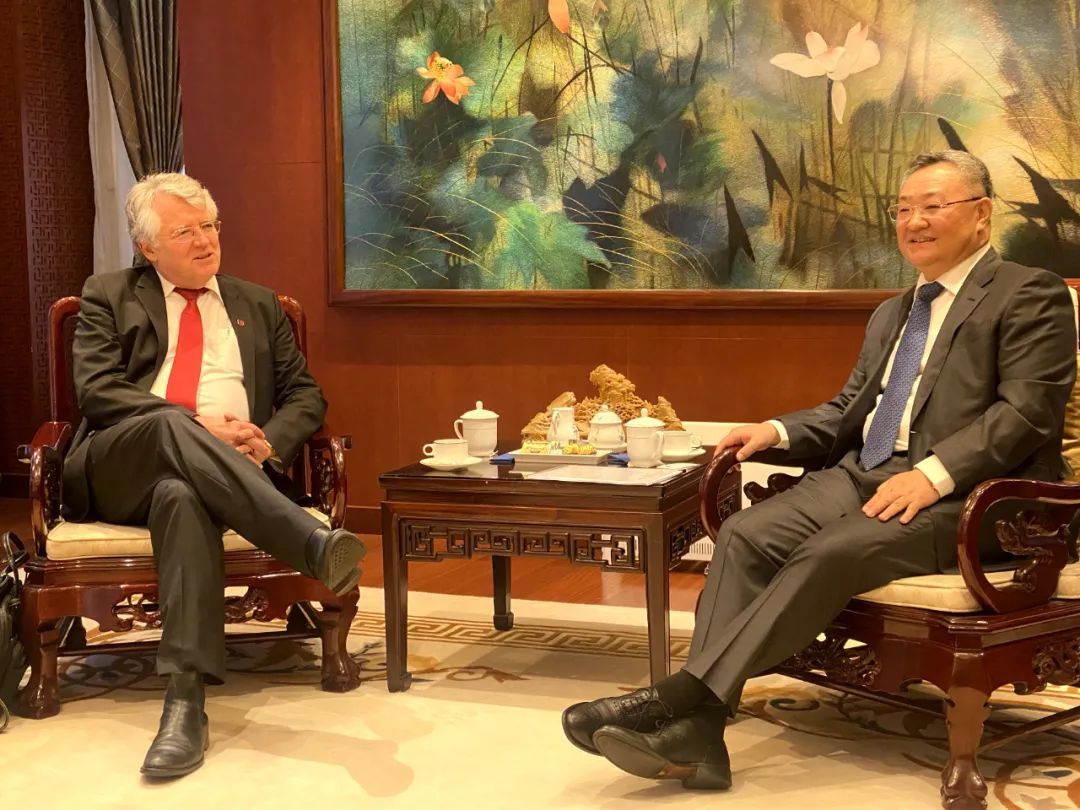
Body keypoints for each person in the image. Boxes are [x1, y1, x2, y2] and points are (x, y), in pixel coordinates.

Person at [561, 150, 1077, 789]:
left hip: (975, 498)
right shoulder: (894, 313)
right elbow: (847, 411)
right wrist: (775, 431)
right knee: (745, 535)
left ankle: (678, 699)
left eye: (932, 206)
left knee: (832, 549)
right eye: (902, 209)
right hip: (865, 474)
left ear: (981, 214)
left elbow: (1025, 414)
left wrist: (933, 474)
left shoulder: (1029, 293)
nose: (914, 221)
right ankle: (701, 735)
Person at [62, 172, 366, 779]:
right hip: (119, 466)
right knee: (171, 426)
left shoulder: (257, 304)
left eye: (210, 226)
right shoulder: (109, 294)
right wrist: (198, 426)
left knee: (181, 494)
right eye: (185, 232)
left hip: (218, 476)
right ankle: (305, 541)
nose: (205, 241)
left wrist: (264, 446)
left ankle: (184, 703)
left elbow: (305, 396)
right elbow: (97, 391)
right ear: (148, 248)